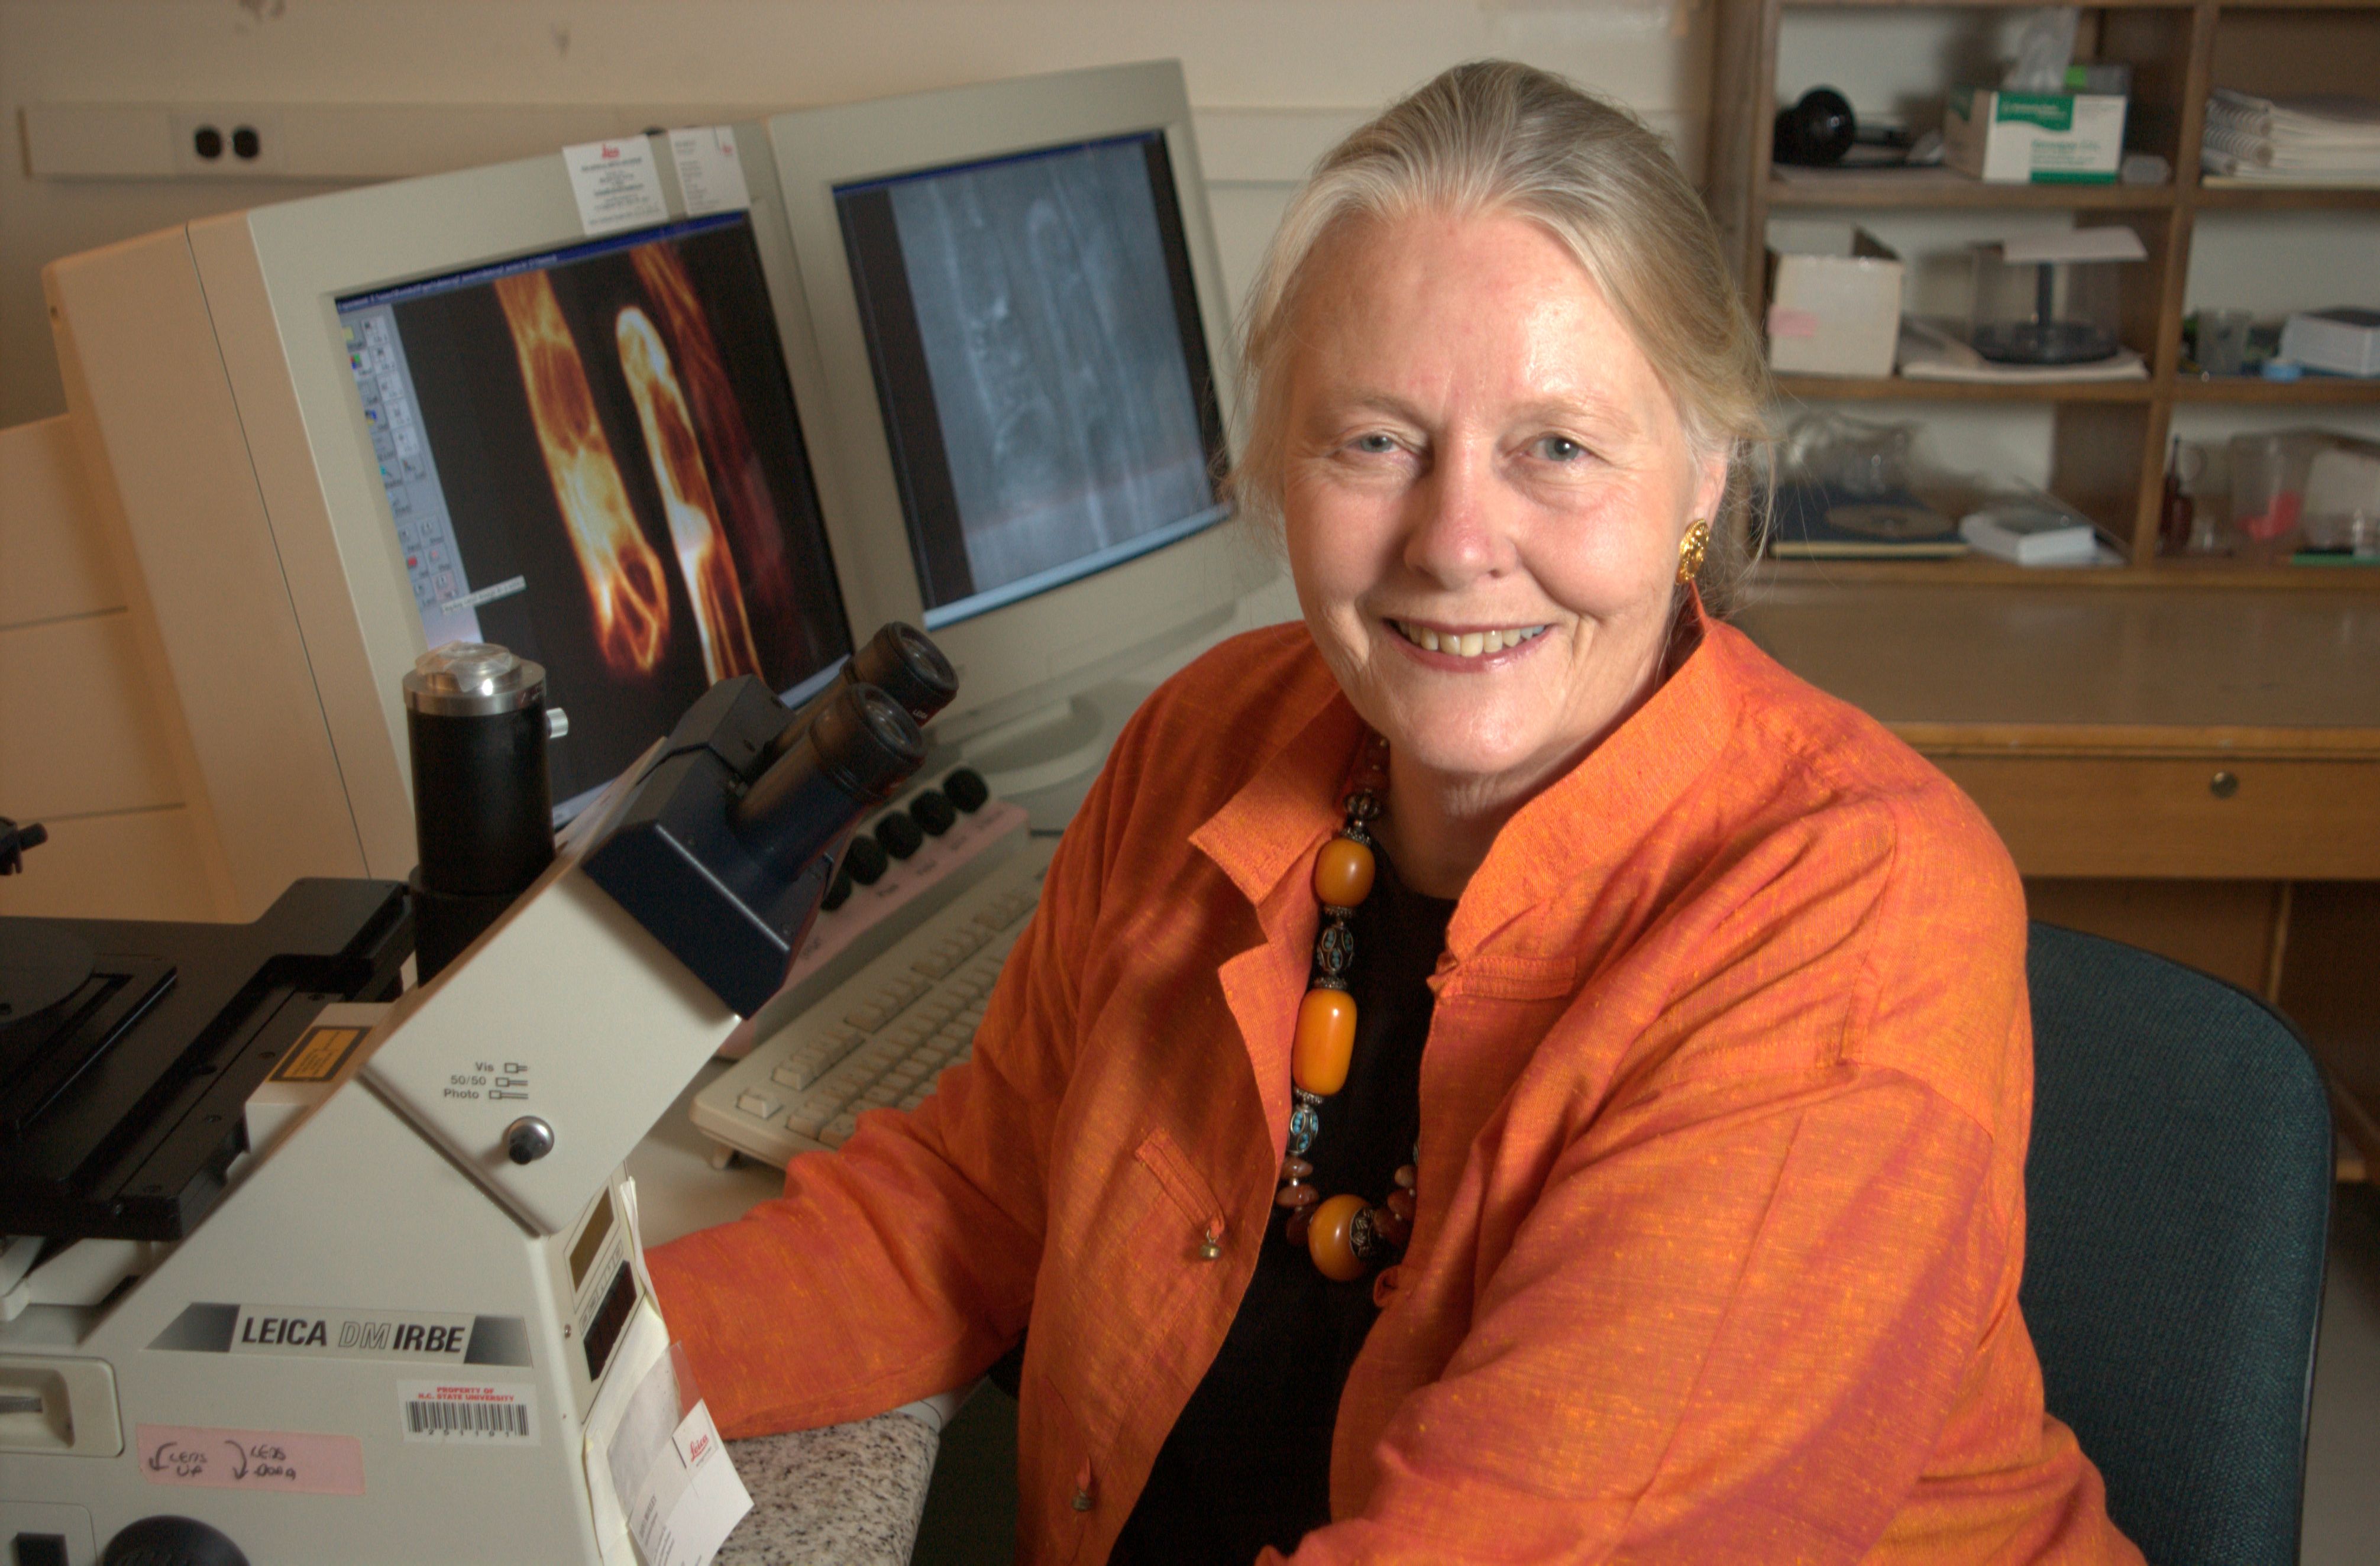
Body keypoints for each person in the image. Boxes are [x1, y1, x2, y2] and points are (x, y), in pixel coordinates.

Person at [647, 61, 2140, 1564]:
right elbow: (965, 1206)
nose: (1455, 542)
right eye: (1374, 441)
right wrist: (507, 1369)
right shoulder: (1210, 741)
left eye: (1555, 446)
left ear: (1703, 471)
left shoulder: (1858, 913)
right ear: (1277, 469)